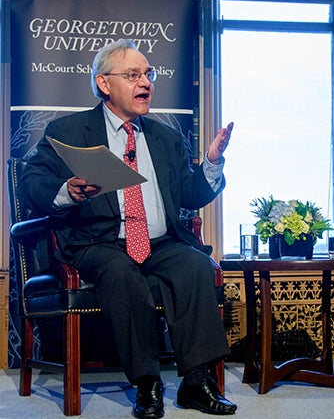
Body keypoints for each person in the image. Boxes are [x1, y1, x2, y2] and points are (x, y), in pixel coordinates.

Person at [18, 39, 237, 418]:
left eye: (148, 74)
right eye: (133, 75)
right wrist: (66, 191)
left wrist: (212, 164)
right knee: (120, 271)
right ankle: (147, 383)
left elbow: (190, 193)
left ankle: (195, 383)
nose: (146, 82)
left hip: (159, 242)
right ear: (104, 84)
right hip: (98, 242)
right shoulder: (68, 130)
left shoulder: (164, 137)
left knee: (195, 266)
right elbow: (31, 183)